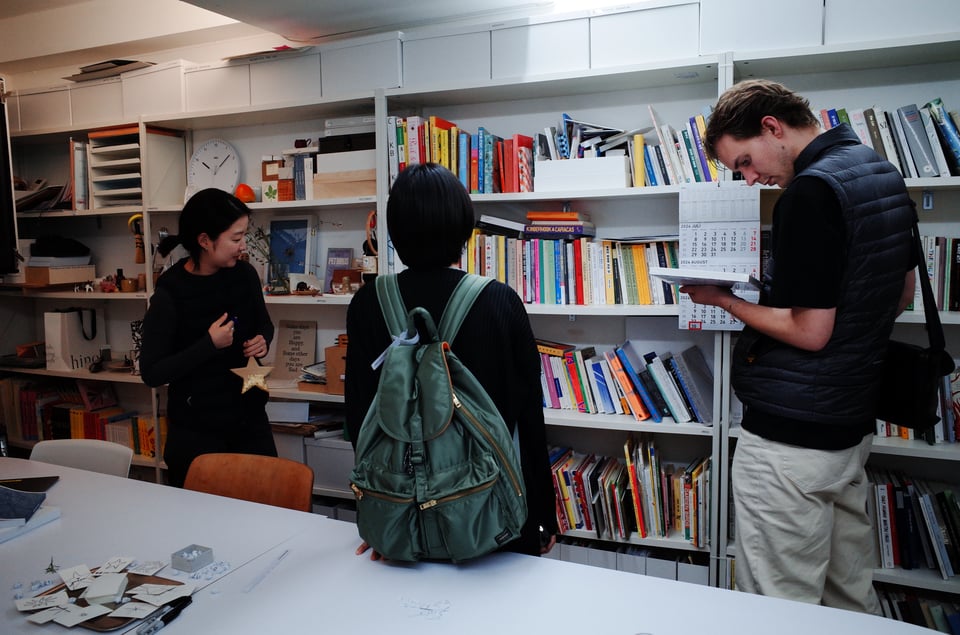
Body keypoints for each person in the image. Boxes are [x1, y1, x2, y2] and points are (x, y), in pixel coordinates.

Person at [679, 80, 917, 613]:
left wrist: (724, 300)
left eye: (743, 161)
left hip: (790, 443)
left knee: (778, 606)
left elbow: (811, 332)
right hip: (850, 425)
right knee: (846, 594)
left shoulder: (810, 192)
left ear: (771, 126)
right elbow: (900, 292)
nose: (748, 178)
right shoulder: (879, 171)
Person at [345, 162, 558, 559]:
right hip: (488, 521)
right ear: (464, 227)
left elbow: (360, 417)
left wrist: (378, 511)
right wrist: (541, 516)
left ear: (395, 231)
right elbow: (528, 419)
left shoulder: (367, 303)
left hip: (398, 521)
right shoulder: (499, 301)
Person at [140, 188, 276, 488]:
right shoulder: (171, 292)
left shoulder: (245, 275)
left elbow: (264, 325)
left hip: (250, 424)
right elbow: (151, 372)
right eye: (236, 238)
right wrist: (208, 345)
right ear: (204, 241)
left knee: (265, 516)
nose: (242, 247)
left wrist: (262, 340)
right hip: (197, 434)